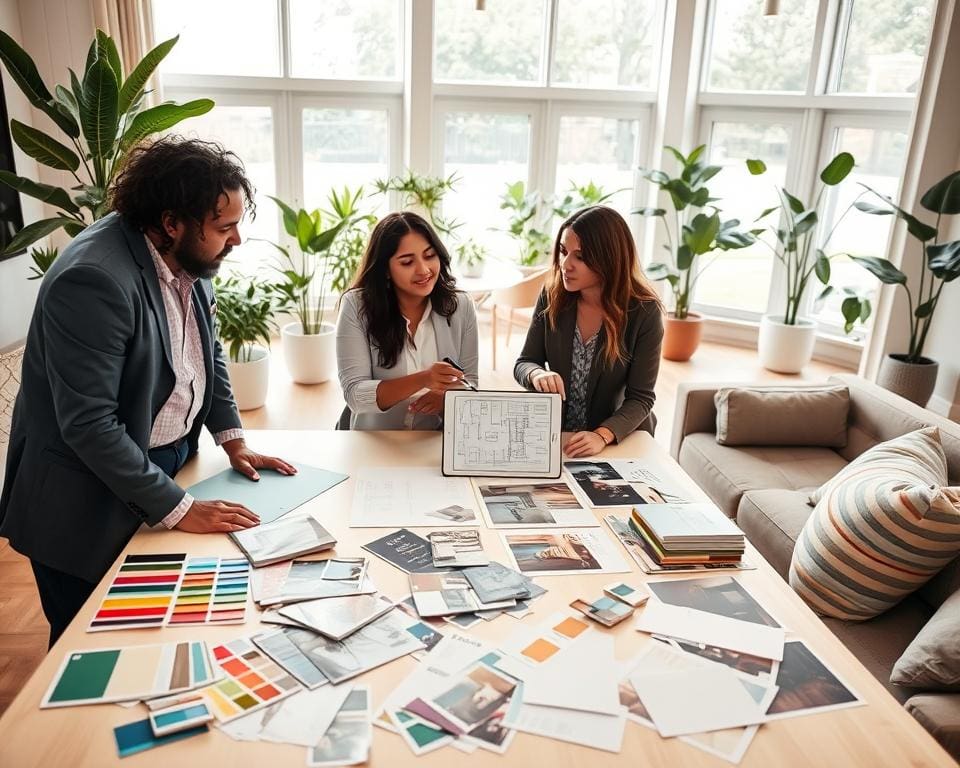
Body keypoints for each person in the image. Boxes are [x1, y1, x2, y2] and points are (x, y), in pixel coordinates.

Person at [0, 137, 297, 647]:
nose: (237, 239)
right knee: (88, 645)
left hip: (163, 465)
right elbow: (89, 425)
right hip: (83, 503)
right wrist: (181, 508)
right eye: (224, 227)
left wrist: (233, 440)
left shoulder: (190, 257)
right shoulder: (94, 279)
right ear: (171, 222)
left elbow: (206, 352)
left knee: (153, 635)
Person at [514, 205, 664, 458]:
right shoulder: (551, 296)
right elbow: (525, 362)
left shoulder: (644, 312)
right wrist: (536, 374)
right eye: (563, 251)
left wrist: (602, 435)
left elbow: (641, 398)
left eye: (580, 257)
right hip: (555, 435)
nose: (566, 264)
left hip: (617, 438)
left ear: (609, 259)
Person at [336, 212, 478, 430]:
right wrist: (424, 379)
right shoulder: (357, 306)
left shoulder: (461, 306)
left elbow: (471, 386)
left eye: (429, 256)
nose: (423, 270)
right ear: (385, 270)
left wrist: (447, 399)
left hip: (436, 438)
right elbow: (355, 394)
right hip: (375, 439)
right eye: (407, 262)